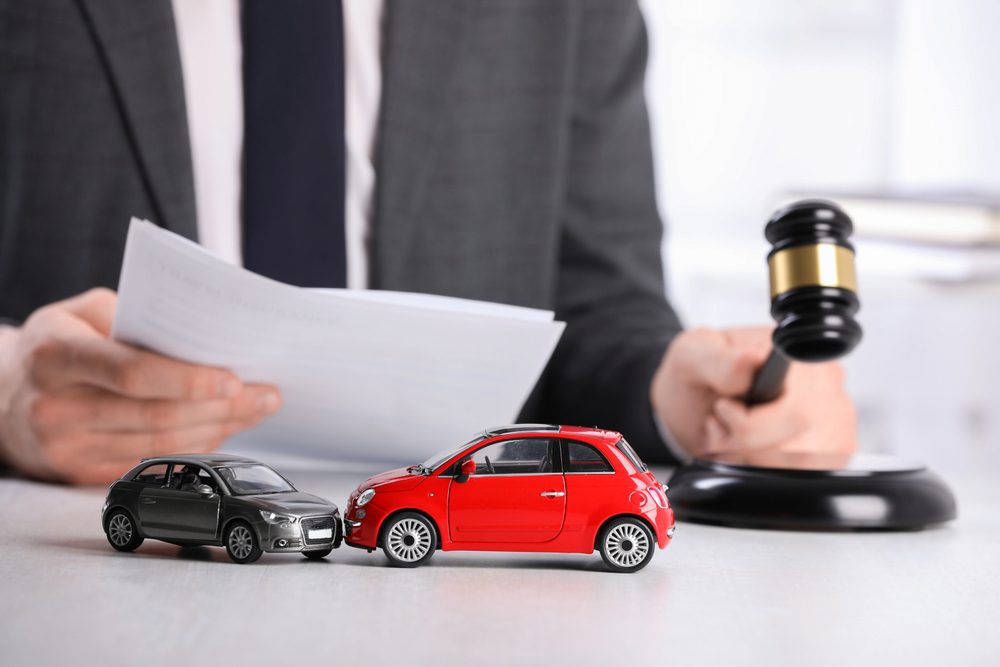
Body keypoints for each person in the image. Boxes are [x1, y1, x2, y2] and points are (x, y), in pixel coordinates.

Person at [0, 1, 854, 485]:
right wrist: (6, 393)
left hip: (435, 580)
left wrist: (683, 395)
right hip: (81, 561)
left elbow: (598, 307)